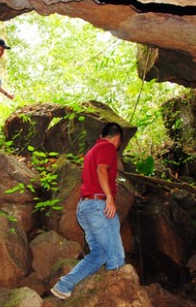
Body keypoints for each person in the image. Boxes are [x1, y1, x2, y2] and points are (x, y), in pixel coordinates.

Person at [50, 123, 126, 300]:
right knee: (115, 254)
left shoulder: (91, 152)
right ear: (117, 139)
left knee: (99, 253)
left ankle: (64, 285)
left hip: (85, 208)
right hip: (99, 205)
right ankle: (120, 295)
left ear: (102, 134)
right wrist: (109, 197)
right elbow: (101, 170)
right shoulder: (107, 147)